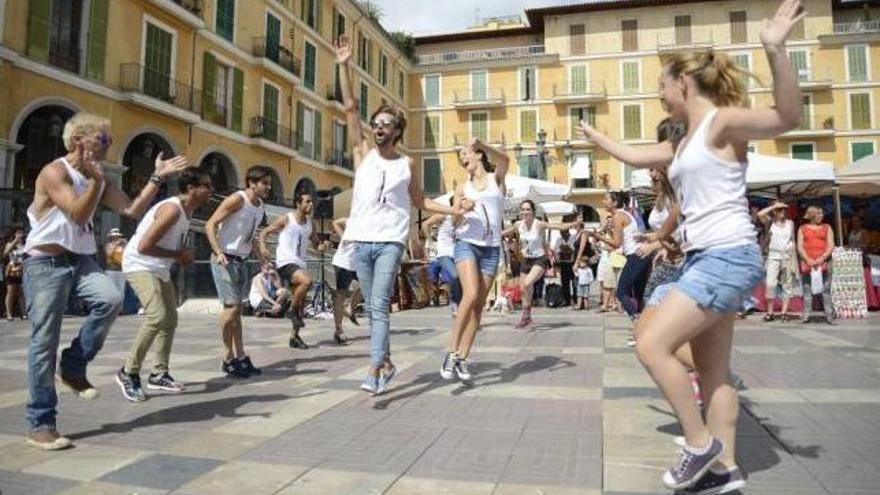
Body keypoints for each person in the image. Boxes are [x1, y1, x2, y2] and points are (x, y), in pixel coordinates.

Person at [576, 1, 804, 491]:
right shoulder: (684, 142)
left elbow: (787, 115)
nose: (658, 92)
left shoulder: (722, 123)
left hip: (727, 255)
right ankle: (726, 471)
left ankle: (699, 445)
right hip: (709, 257)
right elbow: (636, 155)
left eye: (662, 83)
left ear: (684, 82)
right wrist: (595, 136)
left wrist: (775, 49)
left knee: (650, 341)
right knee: (714, 372)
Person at [22, 113, 190, 450]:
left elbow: (132, 210)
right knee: (44, 343)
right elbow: (78, 214)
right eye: (103, 140)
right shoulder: (55, 172)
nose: (108, 146)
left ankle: (73, 365)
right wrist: (97, 183)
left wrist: (157, 177)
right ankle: (41, 423)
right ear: (78, 141)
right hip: (46, 263)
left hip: (80, 260)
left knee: (110, 300)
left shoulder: (95, 177)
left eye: (109, 141)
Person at [334, 35, 467, 395]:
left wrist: (451, 208)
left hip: (391, 241)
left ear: (397, 131)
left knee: (378, 304)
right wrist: (344, 64)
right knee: (376, 308)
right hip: (360, 240)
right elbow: (348, 108)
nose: (378, 127)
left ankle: (375, 366)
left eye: (385, 124)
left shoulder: (407, 163)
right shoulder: (363, 153)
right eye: (375, 122)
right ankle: (387, 362)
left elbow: (420, 200)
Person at [115, 169, 210, 402]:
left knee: (169, 319)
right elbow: (143, 246)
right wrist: (179, 255)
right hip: (139, 264)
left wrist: (178, 256)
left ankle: (158, 374)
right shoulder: (172, 209)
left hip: (159, 268)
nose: (211, 190)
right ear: (191, 189)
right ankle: (128, 372)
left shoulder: (187, 212)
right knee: (157, 316)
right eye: (206, 185)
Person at [440, 137, 508, 382]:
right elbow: (455, 221)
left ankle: (462, 357)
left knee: (479, 305)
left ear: (479, 155)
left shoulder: (496, 180)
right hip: (467, 244)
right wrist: (462, 210)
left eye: (466, 153)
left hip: (491, 248)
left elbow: (505, 159)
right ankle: (450, 352)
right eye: (460, 157)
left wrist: (483, 143)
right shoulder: (462, 187)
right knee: (469, 295)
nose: (463, 159)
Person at [206, 165, 271, 378]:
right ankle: (228, 357)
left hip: (241, 261)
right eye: (264, 183)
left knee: (237, 313)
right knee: (231, 308)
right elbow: (210, 224)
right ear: (251, 183)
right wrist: (218, 252)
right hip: (224, 259)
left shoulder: (260, 206)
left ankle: (241, 357)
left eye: (269, 183)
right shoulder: (237, 199)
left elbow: (250, 238)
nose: (268, 187)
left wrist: (262, 260)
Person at [259, 191, 327, 349]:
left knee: (301, 301)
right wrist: (263, 247)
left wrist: (324, 246)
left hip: (300, 264)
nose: (311, 205)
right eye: (307, 202)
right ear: (298, 203)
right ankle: (290, 309)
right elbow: (264, 232)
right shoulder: (286, 219)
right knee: (307, 281)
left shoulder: (311, 224)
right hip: (285, 262)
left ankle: (294, 337)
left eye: (312, 202)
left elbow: (317, 245)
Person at [503, 200, 580, 328]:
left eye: (528, 209)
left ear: (533, 211)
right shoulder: (518, 224)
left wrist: (574, 223)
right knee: (525, 290)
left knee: (526, 284)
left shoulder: (538, 224)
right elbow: (506, 233)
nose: (525, 212)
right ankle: (526, 317)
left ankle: (527, 316)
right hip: (525, 260)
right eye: (523, 209)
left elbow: (558, 226)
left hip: (539, 259)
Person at [591, 190, 649, 322]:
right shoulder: (625, 214)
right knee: (638, 295)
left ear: (615, 202)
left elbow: (617, 244)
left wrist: (598, 236)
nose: (603, 202)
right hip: (642, 255)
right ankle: (643, 328)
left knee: (622, 292)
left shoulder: (618, 216)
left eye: (606, 199)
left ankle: (637, 323)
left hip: (636, 255)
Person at [758, 201, 798, 322]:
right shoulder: (770, 222)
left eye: (784, 209)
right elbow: (760, 214)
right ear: (774, 211)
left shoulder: (790, 223)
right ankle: (770, 312)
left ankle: (784, 312)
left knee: (787, 284)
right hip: (773, 255)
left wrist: (794, 255)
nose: (783, 211)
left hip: (787, 256)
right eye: (779, 209)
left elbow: (793, 239)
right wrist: (772, 206)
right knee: (770, 283)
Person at [797, 205, 835, 324]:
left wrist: (822, 258)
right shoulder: (802, 228)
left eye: (822, 213)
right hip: (808, 263)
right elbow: (800, 246)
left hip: (824, 263)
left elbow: (831, 244)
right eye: (818, 213)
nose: (821, 215)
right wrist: (808, 259)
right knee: (807, 289)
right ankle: (806, 314)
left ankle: (829, 315)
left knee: (826, 289)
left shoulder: (827, 227)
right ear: (812, 215)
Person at [422, 200, 461, 314]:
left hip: (458, 253)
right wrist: (431, 242)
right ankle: (454, 301)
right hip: (444, 253)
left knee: (462, 280)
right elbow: (425, 225)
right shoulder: (444, 215)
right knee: (454, 276)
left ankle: (462, 307)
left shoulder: (464, 218)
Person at [330, 217, 360, 345]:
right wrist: (343, 236)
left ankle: (349, 306)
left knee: (368, 284)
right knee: (341, 294)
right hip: (343, 262)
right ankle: (338, 329)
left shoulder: (372, 224)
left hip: (358, 263)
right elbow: (335, 222)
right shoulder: (352, 220)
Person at [4, 228, 26, 320]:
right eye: (18, 233)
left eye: (21, 233)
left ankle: (23, 313)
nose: (20, 235)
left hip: (22, 270)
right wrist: (15, 241)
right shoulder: (10, 244)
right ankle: (9, 313)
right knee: (11, 292)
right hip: (12, 270)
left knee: (21, 292)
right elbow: (5, 253)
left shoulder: (24, 245)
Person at [553, 227, 578, 306]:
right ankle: (566, 300)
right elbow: (556, 251)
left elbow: (575, 249)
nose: (563, 235)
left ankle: (576, 299)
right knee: (565, 283)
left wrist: (569, 247)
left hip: (572, 263)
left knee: (575, 282)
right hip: (563, 263)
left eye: (565, 233)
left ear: (568, 232)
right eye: (562, 233)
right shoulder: (558, 240)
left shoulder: (573, 238)